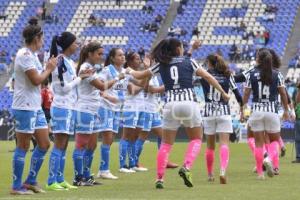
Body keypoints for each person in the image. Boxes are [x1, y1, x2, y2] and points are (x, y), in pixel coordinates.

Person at [125, 38, 230, 189]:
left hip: (170, 105)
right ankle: (186, 167)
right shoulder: (189, 61)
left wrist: (129, 70)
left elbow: (139, 75)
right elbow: (207, 76)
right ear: (178, 49)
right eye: (181, 46)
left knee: (166, 144)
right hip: (189, 104)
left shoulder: (162, 64)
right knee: (196, 139)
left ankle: (159, 179)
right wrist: (223, 93)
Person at [10, 19, 58, 195]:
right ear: (36, 37)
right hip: (25, 106)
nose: (43, 41)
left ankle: (30, 181)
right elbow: (37, 79)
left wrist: (47, 69)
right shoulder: (24, 55)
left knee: (44, 144)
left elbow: (42, 80)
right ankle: (16, 187)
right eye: (42, 38)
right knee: (22, 146)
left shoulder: (33, 56)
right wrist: (50, 68)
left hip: (35, 105)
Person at [46, 32, 92, 190]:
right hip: (61, 106)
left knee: (64, 145)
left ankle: (60, 178)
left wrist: (79, 77)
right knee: (59, 144)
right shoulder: (60, 61)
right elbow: (64, 88)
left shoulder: (69, 62)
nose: (77, 45)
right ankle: (51, 180)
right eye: (75, 43)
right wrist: (81, 78)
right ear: (68, 45)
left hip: (70, 107)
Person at [73, 42, 124, 185]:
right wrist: (118, 78)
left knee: (92, 145)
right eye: (99, 54)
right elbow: (102, 86)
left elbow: (98, 88)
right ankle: (78, 178)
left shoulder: (92, 68)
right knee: (81, 144)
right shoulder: (86, 67)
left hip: (93, 110)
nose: (101, 57)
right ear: (90, 54)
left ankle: (87, 175)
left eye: (102, 54)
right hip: (84, 109)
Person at [242, 49, 289, 180]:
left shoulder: (251, 74)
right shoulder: (277, 74)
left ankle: (260, 173)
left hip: (257, 111)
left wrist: (243, 108)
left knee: (258, 143)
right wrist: (286, 110)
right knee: (274, 140)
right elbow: (283, 93)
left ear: (258, 59)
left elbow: (246, 94)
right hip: (272, 111)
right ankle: (270, 161)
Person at [201, 54, 243, 184]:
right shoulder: (227, 76)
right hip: (224, 112)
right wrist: (242, 108)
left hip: (209, 113)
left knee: (210, 146)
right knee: (224, 144)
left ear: (208, 63)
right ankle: (223, 171)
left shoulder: (204, 74)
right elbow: (237, 94)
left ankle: (209, 174)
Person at [96, 48, 128, 180]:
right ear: (113, 58)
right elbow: (100, 87)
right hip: (106, 106)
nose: (122, 57)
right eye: (119, 55)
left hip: (117, 109)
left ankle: (102, 169)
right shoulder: (107, 70)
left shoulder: (125, 72)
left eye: (123, 54)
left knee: (111, 138)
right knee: (107, 137)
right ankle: (104, 170)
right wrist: (109, 98)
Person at [293, 82, 300, 163]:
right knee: (297, 138)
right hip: (298, 118)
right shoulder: (297, 91)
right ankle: (298, 157)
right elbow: (295, 103)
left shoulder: (297, 92)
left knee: (298, 138)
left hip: (298, 119)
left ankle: (298, 157)